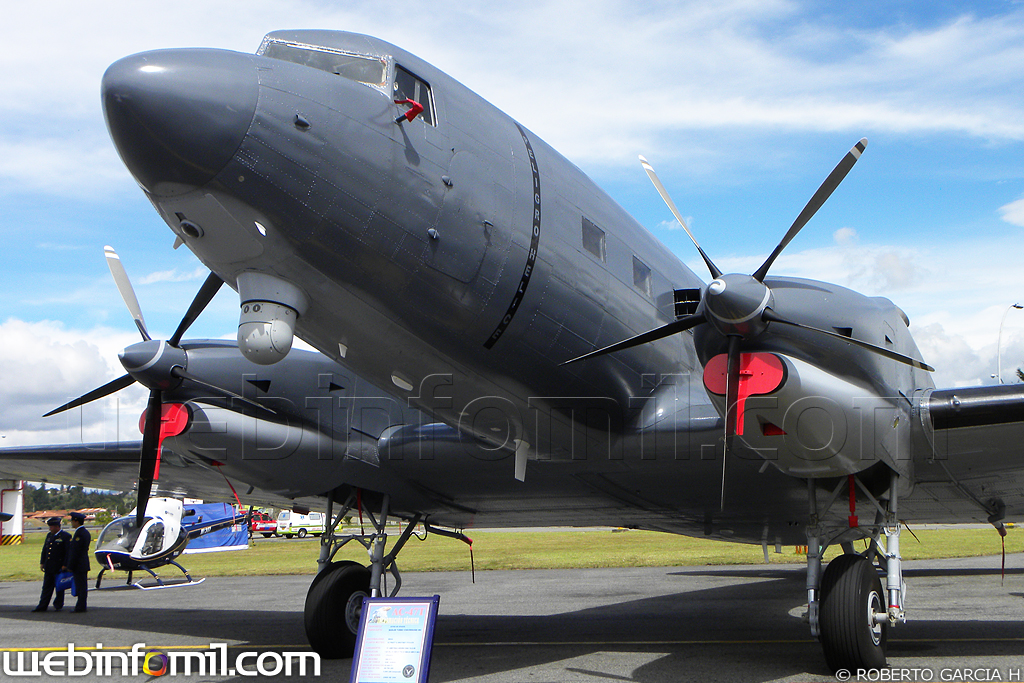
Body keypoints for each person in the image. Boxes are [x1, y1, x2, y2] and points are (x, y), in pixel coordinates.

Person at [32, 517, 70, 612]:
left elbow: (67, 552)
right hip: (49, 566)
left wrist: (65, 565)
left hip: (59, 566)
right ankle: (42, 605)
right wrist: (42, 562)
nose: (50, 529)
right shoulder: (49, 536)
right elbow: (45, 550)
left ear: (57, 526)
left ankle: (58, 605)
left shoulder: (65, 536)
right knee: (46, 587)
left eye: (52, 527)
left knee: (59, 587)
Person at [63, 511, 91, 613]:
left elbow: (76, 552)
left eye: (72, 520)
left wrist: (70, 565)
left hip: (79, 564)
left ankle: (81, 606)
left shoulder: (80, 534)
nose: (71, 522)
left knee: (81, 586)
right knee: (81, 586)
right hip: (82, 563)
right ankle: (81, 605)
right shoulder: (84, 532)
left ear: (76, 521)